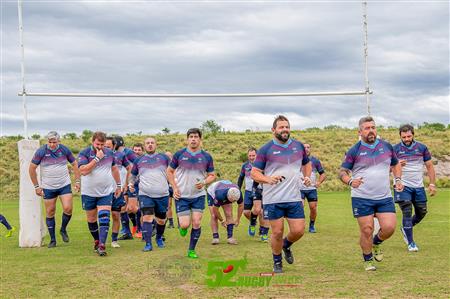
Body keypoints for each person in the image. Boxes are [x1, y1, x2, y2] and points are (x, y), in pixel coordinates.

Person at [339, 116, 404, 271]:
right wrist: (350, 181)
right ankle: (368, 260)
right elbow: (342, 172)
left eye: (373, 127)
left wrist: (398, 179)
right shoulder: (354, 150)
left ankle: (376, 242)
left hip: (384, 196)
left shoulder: (387, 146)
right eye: (367, 128)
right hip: (361, 197)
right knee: (367, 229)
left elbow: (395, 165)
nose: (371, 131)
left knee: (389, 228)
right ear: (360, 131)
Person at [251, 115, 312, 273]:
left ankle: (286, 245)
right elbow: (254, 173)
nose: (285, 130)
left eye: (287, 127)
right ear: (273, 130)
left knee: (298, 231)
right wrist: (268, 179)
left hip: (293, 197)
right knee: (277, 232)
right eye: (281, 127)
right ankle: (277, 261)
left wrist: (306, 177)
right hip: (273, 199)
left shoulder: (298, 146)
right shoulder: (266, 149)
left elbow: (307, 164)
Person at [167, 128, 216, 259]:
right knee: (184, 224)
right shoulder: (179, 154)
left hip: (198, 195)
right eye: (191, 137)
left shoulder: (206, 156)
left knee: (197, 222)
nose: (193, 139)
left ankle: (191, 250)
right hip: (181, 195)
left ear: (200, 139)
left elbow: (212, 175)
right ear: (187, 139)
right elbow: (169, 171)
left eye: (196, 137)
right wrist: (174, 188)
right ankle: (182, 226)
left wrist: (204, 182)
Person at [29, 131, 80, 248]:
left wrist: (77, 181)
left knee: (68, 208)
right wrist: (37, 186)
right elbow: (31, 168)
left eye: (54, 142)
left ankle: (63, 229)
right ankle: (53, 240)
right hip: (48, 187)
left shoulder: (64, 149)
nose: (52, 144)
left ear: (59, 141)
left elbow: (75, 165)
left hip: (64, 185)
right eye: (50, 142)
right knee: (50, 212)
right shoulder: (41, 151)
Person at [393, 124, 437, 252]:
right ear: (400, 136)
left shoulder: (422, 148)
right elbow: (387, 167)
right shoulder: (395, 149)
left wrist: (432, 184)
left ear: (413, 134)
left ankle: (406, 228)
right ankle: (411, 243)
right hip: (402, 185)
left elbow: (429, 166)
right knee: (407, 210)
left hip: (418, 186)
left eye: (409, 136)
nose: (406, 139)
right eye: (404, 136)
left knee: (422, 212)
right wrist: (397, 164)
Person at [78, 131, 122, 256]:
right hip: (89, 192)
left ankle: (102, 245)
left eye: (102, 144)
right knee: (91, 219)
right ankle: (97, 240)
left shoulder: (109, 153)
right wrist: (97, 159)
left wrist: (118, 185)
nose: (100, 147)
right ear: (93, 142)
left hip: (105, 191)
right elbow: (83, 170)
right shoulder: (84, 153)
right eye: (98, 144)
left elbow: (114, 169)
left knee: (104, 217)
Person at [129, 137, 170, 252]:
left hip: (162, 193)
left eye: (152, 143)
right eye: (148, 143)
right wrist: (131, 183)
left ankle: (158, 237)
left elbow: (172, 171)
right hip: (145, 193)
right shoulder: (139, 160)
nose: (150, 145)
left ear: (156, 145)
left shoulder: (164, 158)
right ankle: (148, 244)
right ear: (144, 146)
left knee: (161, 220)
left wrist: (174, 184)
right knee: (147, 218)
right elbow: (133, 175)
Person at [237, 148, 269, 241]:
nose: (251, 157)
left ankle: (262, 231)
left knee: (260, 211)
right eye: (250, 155)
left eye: (253, 155)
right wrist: (238, 188)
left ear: (257, 155)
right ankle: (253, 223)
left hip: (259, 190)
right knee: (246, 212)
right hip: (247, 191)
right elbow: (241, 178)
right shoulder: (245, 166)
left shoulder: (262, 165)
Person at [105, 137, 131, 248]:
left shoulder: (120, 155)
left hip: (116, 190)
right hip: (103, 191)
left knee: (116, 215)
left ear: (114, 146)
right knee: (104, 216)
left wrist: (126, 184)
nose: (105, 148)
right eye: (104, 146)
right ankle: (100, 240)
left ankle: (114, 240)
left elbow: (130, 168)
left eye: (108, 147)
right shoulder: (98, 155)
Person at [299, 143, 326, 233]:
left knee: (313, 208)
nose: (306, 149)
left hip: (311, 189)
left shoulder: (315, 161)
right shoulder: (297, 160)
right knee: (300, 206)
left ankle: (311, 225)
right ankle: (300, 225)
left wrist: (319, 182)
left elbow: (322, 174)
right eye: (304, 147)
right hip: (299, 189)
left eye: (308, 147)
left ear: (310, 149)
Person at [207, 180, 244, 245]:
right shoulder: (219, 195)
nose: (233, 203)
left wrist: (238, 219)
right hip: (212, 192)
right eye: (232, 201)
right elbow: (215, 209)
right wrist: (222, 221)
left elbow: (241, 205)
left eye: (235, 201)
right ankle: (215, 237)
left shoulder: (238, 193)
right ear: (228, 197)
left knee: (229, 214)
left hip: (225, 189)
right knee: (214, 215)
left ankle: (230, 237)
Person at [119, 142, 143, 240]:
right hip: (127, 184)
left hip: (138, 185)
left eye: (139, 150)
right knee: (123, 208)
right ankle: (129, 230)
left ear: (143, 151)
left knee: (133, 208)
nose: (136, 152)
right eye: (135, 150)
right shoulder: (128, 158)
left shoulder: (142, 159)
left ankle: (143, 226)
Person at [165, 151, 176, 229]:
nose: (168, 158)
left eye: (169, 156)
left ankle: (180, 222)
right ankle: (171, 223)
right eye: (166, 156)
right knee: (168, 205)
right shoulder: (163, 166)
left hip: (176, 186)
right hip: (167, 187)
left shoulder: (176, 165)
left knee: (178, 204)